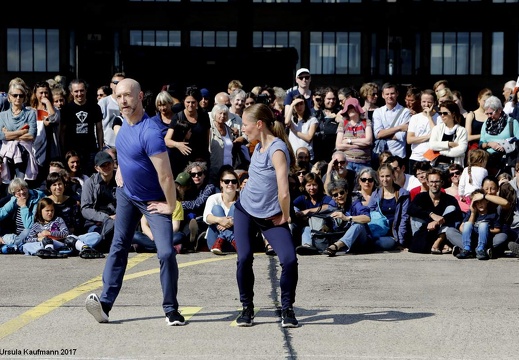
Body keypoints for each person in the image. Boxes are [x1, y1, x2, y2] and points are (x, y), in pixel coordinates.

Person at [85, 78, 185, 326]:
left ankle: (171, 309)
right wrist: (120, 171)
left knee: (165, 253)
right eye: (118, 97)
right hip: (127, 196)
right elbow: (124, 153)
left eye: (128, 96)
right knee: (118, 246)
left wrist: (171, 206)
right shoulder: (122, 127)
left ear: (140, 97)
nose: (123, 101)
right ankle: (105, 305)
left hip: (154, 202)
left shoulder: (150, 132)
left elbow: (166, 175)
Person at [233, 103, 299, 328]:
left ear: (259, 124)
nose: (243, 129)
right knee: (244, 258)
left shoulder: (277, 149)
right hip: (245, 210)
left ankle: (287, 308)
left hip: (271, 216)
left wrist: (286, 216)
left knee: (289, 260)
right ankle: (247, 308)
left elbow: (284, 190)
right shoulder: (258, 146)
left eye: (245, 124)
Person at [408, 169, 463, 254]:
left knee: (451, 209)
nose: (434, 185)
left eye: (437, 182)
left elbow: (458, 214)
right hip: (425, 230)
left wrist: (440, 221)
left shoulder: (449, 199)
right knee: (414, 217)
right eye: (431, 182)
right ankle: (440, 244)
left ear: (442, 182)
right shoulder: (420, 197)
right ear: (427, 182)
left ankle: (439, 241)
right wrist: (431, 215)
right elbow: (410, 209)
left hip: (442, 231)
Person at [59, 79, 104, 176]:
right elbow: (62, 131)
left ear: (86, 90)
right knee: (72, 176)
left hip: (90, 149)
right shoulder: (67, 109)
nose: (79, 94)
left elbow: (99, 129)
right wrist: (63, 150)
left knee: (89, 176)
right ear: (71, 92)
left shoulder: (95, 107)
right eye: (76, 91)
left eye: (82, 90)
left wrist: (100, 148)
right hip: (72, 150)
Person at [321, 178, 372, 256]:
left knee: (358, 224)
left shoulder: (354, 202)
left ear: (346, 192)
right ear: (332, 197)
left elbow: (367, 218)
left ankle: (337, 245)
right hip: (340, 237)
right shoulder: (332, 205)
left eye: (341, 192)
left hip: (360, 241)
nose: (339, 196)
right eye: (335, 195)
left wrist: (347, 218)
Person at [0, 81, 38, 182]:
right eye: (15, 95)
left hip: (23, 152)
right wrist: (21, 132)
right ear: (9, 97)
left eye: (21, 95)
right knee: (7, 185)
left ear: (24, 98)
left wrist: (9, 134)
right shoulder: (2, 115)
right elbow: (1, 136)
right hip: (6, 155)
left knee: (21, 183)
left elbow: (32, 135)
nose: (18, 98)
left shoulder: (30, 113)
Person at [367, 163, 410, 251]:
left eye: (387, 176)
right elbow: (369, 213)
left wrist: (400, 242)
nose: (385, 179)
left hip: (393, 235)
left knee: (380, 243)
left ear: (393, 176)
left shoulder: (403, 194)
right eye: (382, 176)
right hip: (377, 231)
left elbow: (404, 219)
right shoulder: (376, 194)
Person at [81, 150, 117, 252]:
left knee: (133, 236)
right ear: (97, 168)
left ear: (113, 163)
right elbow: (85, 209)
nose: (107, 167)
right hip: (97, 224)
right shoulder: (90, 183)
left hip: (118, 221)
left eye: (108, 164)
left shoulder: (120, 179)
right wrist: (106, 218)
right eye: (103, 165)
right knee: (97, 238)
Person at [449, 188, 500, 260]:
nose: (480, 204)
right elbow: (462, 229)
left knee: (498, 234)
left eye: (481, 201)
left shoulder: (492, 214)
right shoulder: (471, 213)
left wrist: (486, 230)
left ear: (486, 201)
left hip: (485, 239)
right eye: (477, 202)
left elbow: (497, 229)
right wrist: (473, 213)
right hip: (470, 238)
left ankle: (480, 249)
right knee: (453, 230)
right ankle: (467, 249)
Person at [0, 178, 45, 252]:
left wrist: (23, 206)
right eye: (18, 191)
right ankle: (17, 246)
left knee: (27, 232)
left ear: (27, 188)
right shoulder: (14, 199)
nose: (22, 192)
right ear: (14, 194)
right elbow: (3, 212)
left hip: (33, 233)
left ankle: (13, 246)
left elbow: (29, 226)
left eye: (23, 189)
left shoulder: (37, 199)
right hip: (16, 235)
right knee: (10, 237)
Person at [293, 172, 333, 255]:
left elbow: (327, 207)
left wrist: (308, 211)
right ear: (304, 186)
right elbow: (292, 207)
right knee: (306, 228)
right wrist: (297, 214)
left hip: (321, 228)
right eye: (309, 185)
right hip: (307, 227)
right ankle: (307, 246)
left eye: (314, 185)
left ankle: (310, 246)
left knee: (309, 227)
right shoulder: (302, 198)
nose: (312, 188)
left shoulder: (324, 197)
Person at [372, 82, 412, 164]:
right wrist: (399, 127)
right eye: (387, 94)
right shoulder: (377, 112)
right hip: (382, 157)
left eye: (392, 93)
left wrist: (384, 133)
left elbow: (402, 136)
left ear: (397, 94)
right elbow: (378, 134)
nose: (389, 96)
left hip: (398, 156)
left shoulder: (405, 112)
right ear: (383, 95)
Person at [479, 95, 519, 177]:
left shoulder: (512, 122)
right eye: (487, 113)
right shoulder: (486, 124)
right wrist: (489, 144)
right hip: (489, 161)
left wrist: (504, 145)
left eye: (491, 113)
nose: (489, 116)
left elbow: (518, 140)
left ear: (499, 110)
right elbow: (481, 143)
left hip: (506, 160)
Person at [203, 168, 239, 254]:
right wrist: (221, 220)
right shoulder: (213, 198)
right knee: (216, 208)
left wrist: (233, 221)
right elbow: (206, 217)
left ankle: (223, 237)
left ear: (237, 184)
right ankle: (229, 238)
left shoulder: (243, 199)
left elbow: (249, 219)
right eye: (227, 181)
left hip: (235, 242)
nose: (230, 184)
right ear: (221, 183)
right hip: (215, 243)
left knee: (235, 206)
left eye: (233, 181)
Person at [335, 97, 373, 173]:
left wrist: (349, 141)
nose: (351, 109)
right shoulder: (343, 123)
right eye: (348, 108)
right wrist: (361, 144)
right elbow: (338, 145)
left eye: (353, 107)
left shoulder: (366, 122)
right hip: (347, 163)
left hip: (364, 162)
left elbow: (368, 141)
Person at [406, 89, 441, 171]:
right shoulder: (415, 118)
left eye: (429, 102)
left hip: (431, 159)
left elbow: (437, 136)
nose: (426, 104)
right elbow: (409, 139)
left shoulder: (439, 118)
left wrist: (429, 117)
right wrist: (429, 136)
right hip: (416, 158)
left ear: (435, 103)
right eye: (424, 101)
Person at [429, 99, 468, 171]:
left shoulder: (462, 130)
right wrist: (449, 144)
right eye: (440, 113)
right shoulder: (437, 128)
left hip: (454, 168)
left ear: (453, 114)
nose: (442, 116)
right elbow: (432, 145)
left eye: (445, 113)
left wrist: (440, 152)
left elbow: (461, 150)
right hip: (437, 166)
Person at [284, 94, 319, 162]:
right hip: (294, 156)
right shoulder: (292, 119)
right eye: (297, 105)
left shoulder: (312, 120)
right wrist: (291, 105)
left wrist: (294, 131)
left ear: (305, 105)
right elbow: (286, 122)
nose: (299, 107)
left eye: (301, 104)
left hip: (307, 157)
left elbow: (309, 138)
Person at [97, 72, 125, 149]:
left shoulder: (127, 102)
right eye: (116, 83)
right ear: (111, 85)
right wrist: (99, 143)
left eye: (122, 83)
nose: (118, 85)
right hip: (108, 146)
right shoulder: (103, 102)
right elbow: (97, 125)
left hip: (124, 145)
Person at [465, 88, 492, 152]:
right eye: (484, 101)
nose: (486, 103)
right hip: (475, 149)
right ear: (479, 99)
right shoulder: (471, 115)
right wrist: (483, 135)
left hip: (489, 148)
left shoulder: (492, 115)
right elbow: (467, 137)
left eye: (489, 101)